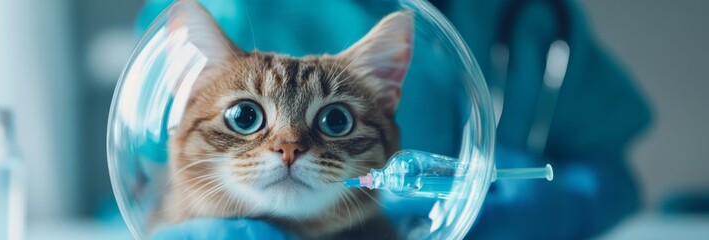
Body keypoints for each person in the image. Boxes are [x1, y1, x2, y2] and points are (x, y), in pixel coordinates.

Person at [133, 0, 652, 239]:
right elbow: (142, 159)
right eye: (247, 116)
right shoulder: (217, 9)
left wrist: (566, 208)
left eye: (331, 121)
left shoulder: (529, 12)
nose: (288, 147)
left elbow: (614, 170)